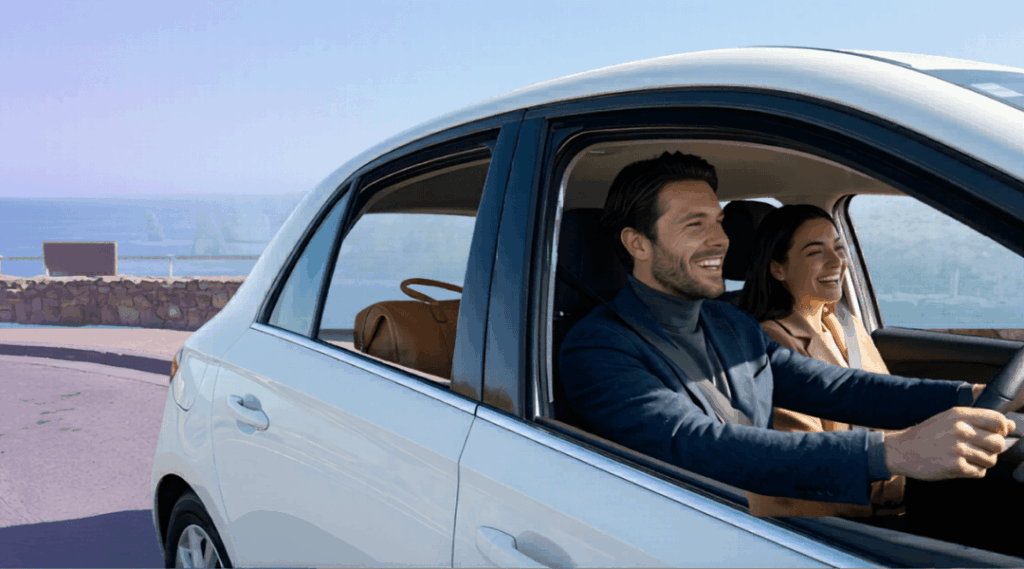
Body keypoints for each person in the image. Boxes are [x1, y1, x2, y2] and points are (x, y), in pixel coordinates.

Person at [559, 151, 1019, 511]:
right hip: (709, 527)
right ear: (638, 242)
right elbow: (696, 444)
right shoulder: (598, 348)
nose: (720, 239)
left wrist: (970, 395)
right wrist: (889, 452)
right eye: (694, 224)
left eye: (718, 222)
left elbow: (837, 388)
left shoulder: (730, 322)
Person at [737, 205, 904, 518]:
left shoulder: (846, 324)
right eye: (816, 252)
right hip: (856, 511)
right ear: (778, 269)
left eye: (839, 248)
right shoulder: (767, 348)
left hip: (900, 484)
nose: (837, 261)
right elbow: (805, 468)